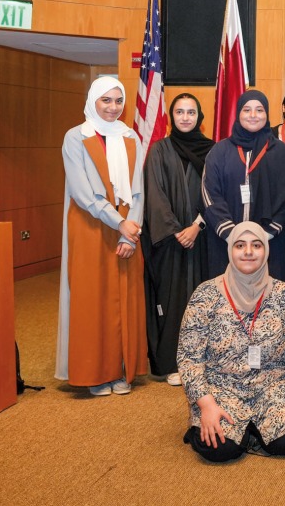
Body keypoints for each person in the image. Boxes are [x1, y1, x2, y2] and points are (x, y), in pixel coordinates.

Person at [178, 222, 285, 463]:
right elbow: (189, 358)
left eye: (256, 245)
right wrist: (207, 405)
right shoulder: (205, 295)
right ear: (230, 250)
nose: (248, 252)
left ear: (266, 251)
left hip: (271, 388)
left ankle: (252, 431)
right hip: (221, 389)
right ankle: (244, 432)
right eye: (240, 245)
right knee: (218, 448)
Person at [56, 75, 146, 396]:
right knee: (93, 299)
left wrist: (129, 233)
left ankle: (122, 369)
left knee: (124, 299)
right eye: (105, 100)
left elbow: (138, 191)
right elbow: (83, 193)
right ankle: (95, 373)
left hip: (125, 229)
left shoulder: (131, 137)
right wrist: (119, 223)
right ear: (93, 101)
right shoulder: (75, 137)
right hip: (90, 227)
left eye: (118, 100)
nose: (113, 107)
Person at [143, 92, 214, 387]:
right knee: (172, 302)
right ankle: (173, 363)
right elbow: (155, 194)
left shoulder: (213, 151)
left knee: (204, 301)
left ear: (200, 117)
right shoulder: (159, 150)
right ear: (171, 116)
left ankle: (204, 362)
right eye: (180, 112)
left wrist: (197, 225)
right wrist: (175, 230)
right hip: (170, 242)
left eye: (191, 112)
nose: (185, 117)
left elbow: (217, 193)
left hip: (204, 238)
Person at [201, 90, 285, 282]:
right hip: (226, 243)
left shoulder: (282, 153)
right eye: (247, 110)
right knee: (227, 296)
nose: (253, 115)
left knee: (269, 297)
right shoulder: (220, 151)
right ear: (238, 113)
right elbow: (210, 193)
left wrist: (265, 235)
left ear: (267, 114)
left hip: (270, 243)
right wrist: (232, 235)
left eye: (259, 110)